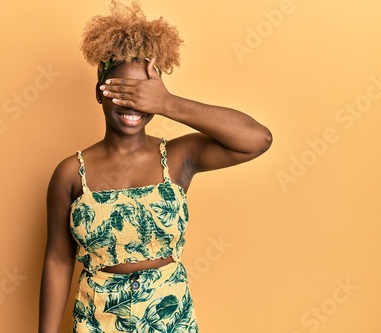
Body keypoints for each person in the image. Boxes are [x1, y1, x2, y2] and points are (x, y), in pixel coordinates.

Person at [39, 1, 272, 332]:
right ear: (99, 92)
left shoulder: (179, 157)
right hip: (97, 322)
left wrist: (168, 104)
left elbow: (257, 139)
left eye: (143, 94)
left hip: (170, 321)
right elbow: (59, 259)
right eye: (122, 91)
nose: (133, 104)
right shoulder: (70, 173)